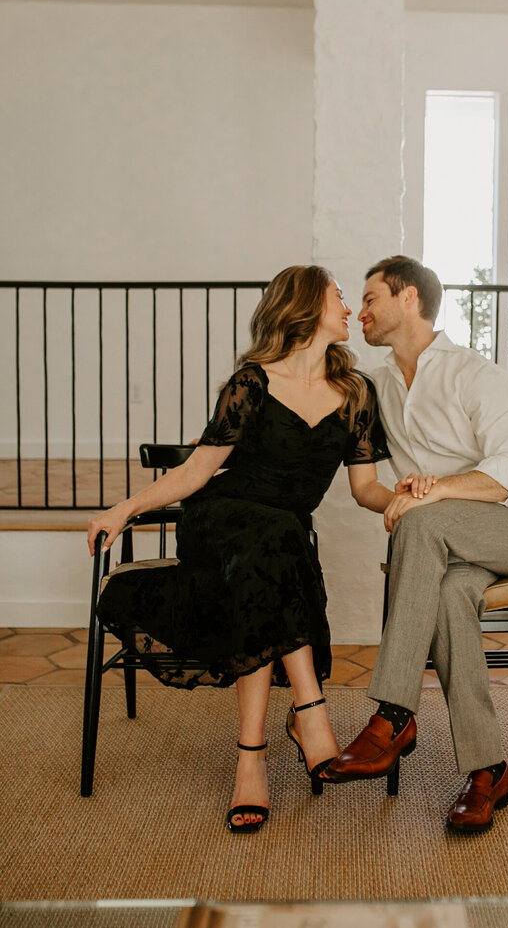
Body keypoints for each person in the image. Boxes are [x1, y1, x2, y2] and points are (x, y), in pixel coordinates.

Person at [87, 265, 392, 834]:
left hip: (274, 545)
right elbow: (198, 470)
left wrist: (408, 500)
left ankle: (251, 760)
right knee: (272, 540)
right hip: (221, 524)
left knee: (272, 552)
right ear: (304, 306)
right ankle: (311, 715)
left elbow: (366, 488)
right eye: (339, 298)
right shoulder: (252, 383)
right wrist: (125, 508)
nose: (348, 310)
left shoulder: (355, 393)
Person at [324, 256, 508, 834]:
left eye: (371, 298)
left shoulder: (474, 373)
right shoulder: (375, 387)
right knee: (447, 597)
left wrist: (434, 493)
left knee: (422, 522)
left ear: (409, 300)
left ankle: (394, 714)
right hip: (443, 551)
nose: (362, 312)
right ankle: (488, 771)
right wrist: (408, 497)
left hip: (506, 526)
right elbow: (370, 484)